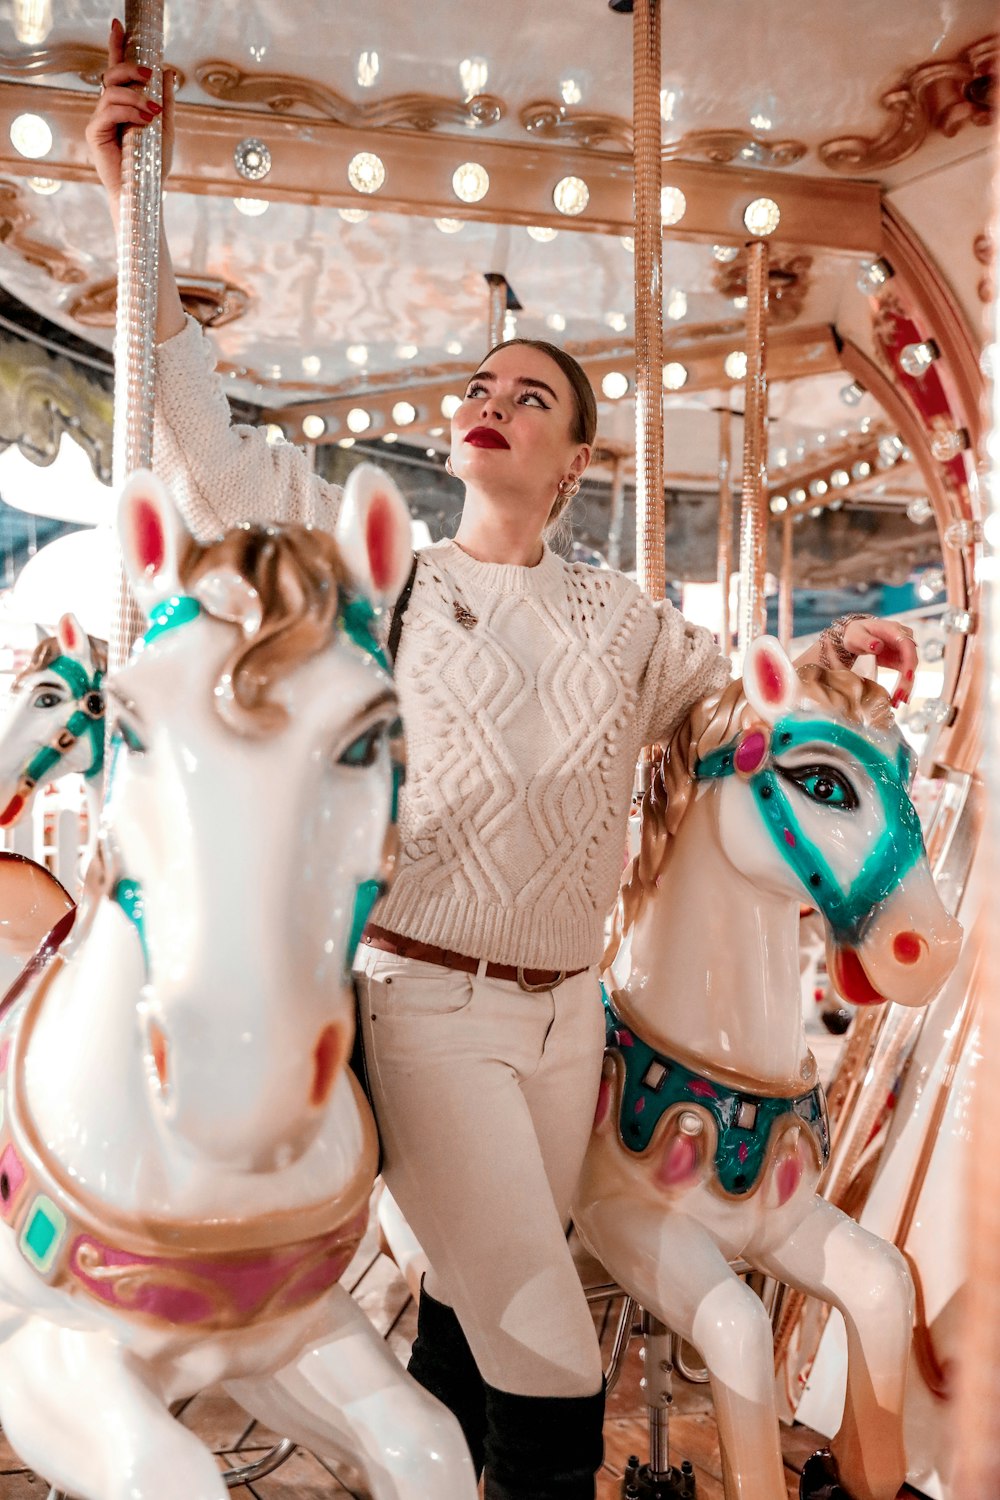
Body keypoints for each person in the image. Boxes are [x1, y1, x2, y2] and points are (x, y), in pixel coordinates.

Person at [86, 25, 917, 1498]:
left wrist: (855, 769)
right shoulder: (392, 569)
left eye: (532, 395)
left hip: (569, 1022)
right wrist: (128, 206)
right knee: (550, 1345)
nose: (495, 401)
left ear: (577, 460)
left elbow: (750, 730)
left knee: (479, 1319)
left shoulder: (627, 620)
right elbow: (213, 452)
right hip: (430, 1005)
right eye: (483, 384)